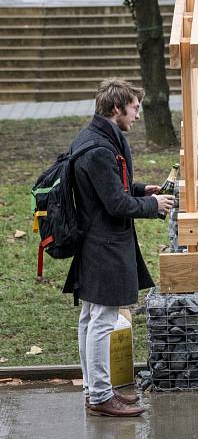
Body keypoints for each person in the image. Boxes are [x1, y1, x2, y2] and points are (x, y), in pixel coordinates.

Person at [64, 78, 175, 417]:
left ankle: (94, 389)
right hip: (104, 245)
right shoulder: (98, 149)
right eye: (134, 108)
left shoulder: (97, 138)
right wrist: (153, 205)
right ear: (117, 109)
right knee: (101, 319)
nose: (138, 115)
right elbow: (114, 204)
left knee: (91, 317)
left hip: (98, 241)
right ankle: (99, 397)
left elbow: (113, 187)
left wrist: (143, 189)